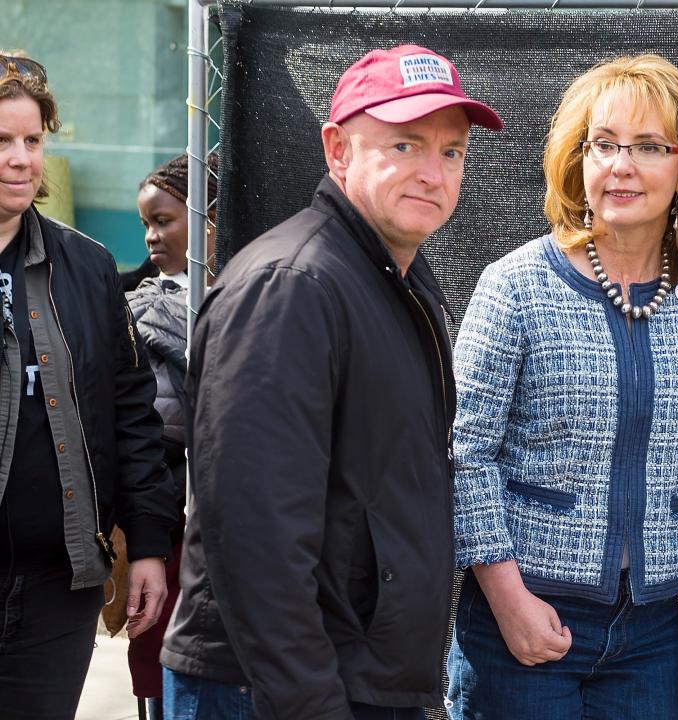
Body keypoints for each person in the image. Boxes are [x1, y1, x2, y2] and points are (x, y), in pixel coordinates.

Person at [160, 44, 503, 720]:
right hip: (274, 690)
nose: (432, 173)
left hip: (355, 679)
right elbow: (254, 530)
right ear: (337, 149)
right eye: (404, 145)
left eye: (452, 152)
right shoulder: (292, 287)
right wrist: (310, 703)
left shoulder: (396, 282)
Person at [446, 54, 678, 720]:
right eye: (604, 144)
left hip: (649, 633)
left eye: (648, 147)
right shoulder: (517, 287)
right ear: (577, 161)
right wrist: (509, 601)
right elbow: (463, 455)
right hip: (524, 617)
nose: (622, 164)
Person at [0, 53, 177, 718]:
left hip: (59, 582)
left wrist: (150, 545)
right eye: (2, 140)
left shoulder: (89, 266)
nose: (21, 159)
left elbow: (131, 413)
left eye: (33, 140)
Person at [118, 151, 218, 719]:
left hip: (223, 519)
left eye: (164, 220)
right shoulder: (135, 302)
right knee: (162, 670)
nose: (152, 236)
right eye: (146, 224)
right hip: (168, 517)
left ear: (208, 218)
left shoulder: (241, 290)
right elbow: (153, 425)